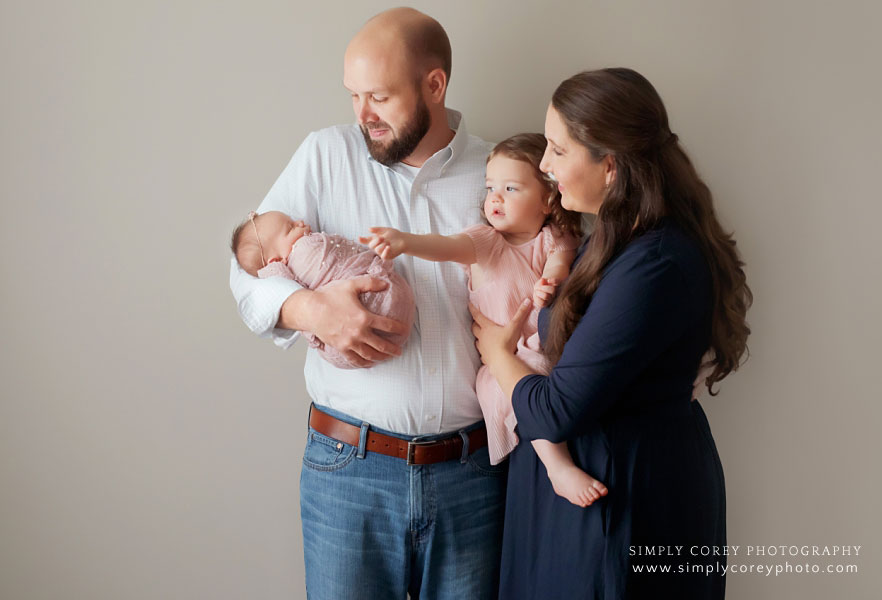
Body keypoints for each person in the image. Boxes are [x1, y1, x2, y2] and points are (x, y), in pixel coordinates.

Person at [228, 8, 505, 599]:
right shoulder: (325, 155)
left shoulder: (495, 173)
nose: (362, 115)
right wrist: (311, 311)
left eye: (379, 96)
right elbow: (245, 267)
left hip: (474, 476)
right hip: (347, 470)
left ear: (435, 85)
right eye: (353, 95)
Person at [470, 68, 752, 599]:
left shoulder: (657, 264)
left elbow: (555, 409)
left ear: (611, 165)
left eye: (557, 150)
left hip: (620, 498)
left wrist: (498, 354)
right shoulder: (616, 238)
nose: (546, 168)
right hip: (590, 490)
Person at [363, 133, 607, 507]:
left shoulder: (556, 238)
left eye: (511, 188)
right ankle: (556, 466)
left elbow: (559, 265)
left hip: (553, 348)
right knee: (521, 385)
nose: (495, 198)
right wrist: (406, 242)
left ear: (547, 199)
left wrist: (549, 284)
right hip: (502, 366)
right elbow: (444, 247)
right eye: (491, 187)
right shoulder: (484, 241)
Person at [230, 210, 416, 369]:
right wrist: (313, 311)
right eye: (291, 227)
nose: (301, 222)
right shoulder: (295, 256)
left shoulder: (277, 240)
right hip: (360, 318)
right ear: (275, 261)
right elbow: (251, 290)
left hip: (350, 342)